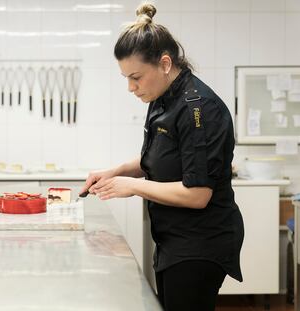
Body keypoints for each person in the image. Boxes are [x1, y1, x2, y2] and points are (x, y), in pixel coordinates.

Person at [79, 3, 244, 311]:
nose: (130, 87)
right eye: (126, 78)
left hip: (201, 243)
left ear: (165, 63)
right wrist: (113, 172)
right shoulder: (162, 99)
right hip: (173, 239)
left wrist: (132, 186)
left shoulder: (199, 109)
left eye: (136, 77)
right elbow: (156, 159)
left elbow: (198, 195)